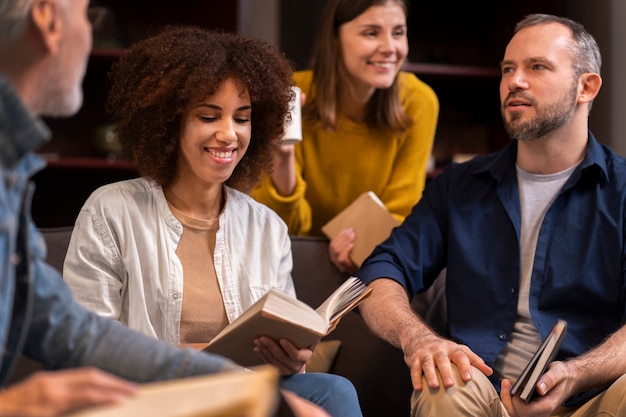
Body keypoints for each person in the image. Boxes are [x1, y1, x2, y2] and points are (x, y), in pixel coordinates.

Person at [0, 1, 331, 416]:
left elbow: (73, 331)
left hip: (219, 387)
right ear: (48, 21)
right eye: (88, 15)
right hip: (151, 400)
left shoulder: (11, 173)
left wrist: (265, 385)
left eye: (241, 118)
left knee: (330, 392)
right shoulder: (108, 208)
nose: (228, 133)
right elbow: (82, 338)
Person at [357, 13, 626, 417]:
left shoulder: (622, 190)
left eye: (536, 67)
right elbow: (380, 271)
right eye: (507, 69)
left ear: (586, 87)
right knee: (442, 385)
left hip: (591, 400)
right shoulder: (460, 185)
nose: (514, 81)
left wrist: (577, 373)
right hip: (481, 395)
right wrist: (418, 339)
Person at [251, 0, 439, 274]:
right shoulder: (291, 93)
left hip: (374, 256)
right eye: (371, 33)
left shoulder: (420, 102)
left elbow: (399, 214)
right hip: (295, 256)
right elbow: (280, 229)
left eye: (398, 33)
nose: (390, 48)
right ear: (335, 40)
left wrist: (360, 243)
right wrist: (283, 156)